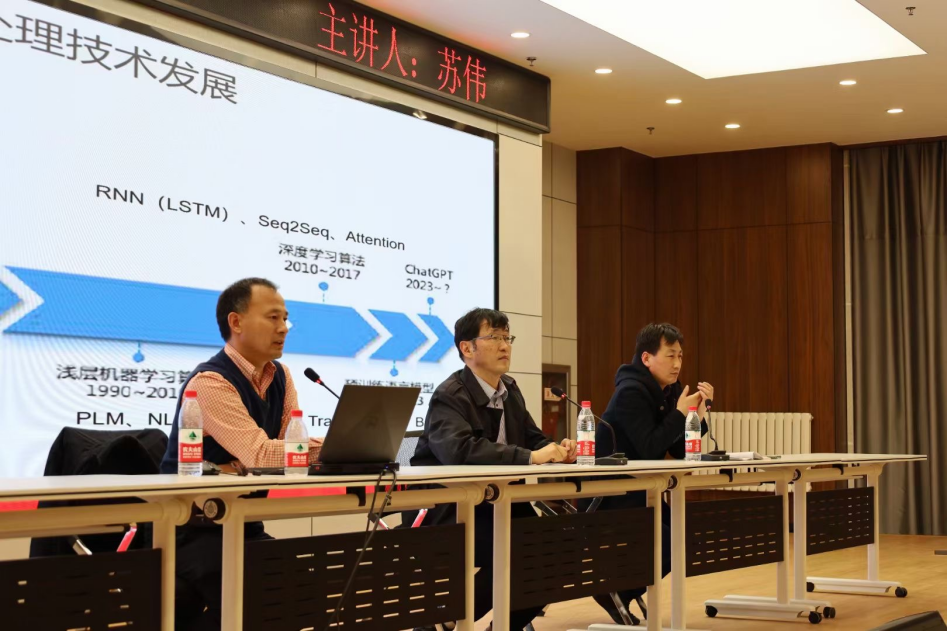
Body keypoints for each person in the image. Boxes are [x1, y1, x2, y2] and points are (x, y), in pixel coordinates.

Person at [159, 277, 323, 631]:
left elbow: (286, 451)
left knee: (305, 590)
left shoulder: (280, 376)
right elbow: (262, 454)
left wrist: (289, 454)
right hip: (191, 531)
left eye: (285, 319)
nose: (284, 328)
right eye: (273, 317)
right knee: (258, 597)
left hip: (243, 523)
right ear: (235, 322)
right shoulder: (210, 382)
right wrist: (327, 448)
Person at [411, 308, 577, 630]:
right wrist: (532, 457)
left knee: (557, 550)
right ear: (467, 348)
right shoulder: (450, 395)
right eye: (494, 337)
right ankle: (445, 617)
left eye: (507, 337)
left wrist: (558, 449)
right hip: (448, 508)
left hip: (498, 503)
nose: (505, 346)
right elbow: (459, 451)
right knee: (518, 549)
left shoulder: (510, 390)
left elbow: (533, 439)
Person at [594, 323, 713, 623]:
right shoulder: (630, 393)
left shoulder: (670, 391)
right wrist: (680, 414)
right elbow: (649, 448)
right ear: (647, 358)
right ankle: (615, 591)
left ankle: (617, 592)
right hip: (611, 494)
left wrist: (698, 416)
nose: (677, 364)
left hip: (643, 490)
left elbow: (680, 451)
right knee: (670, 543)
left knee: (685, 539)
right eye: (670, 355)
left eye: (680, 356)